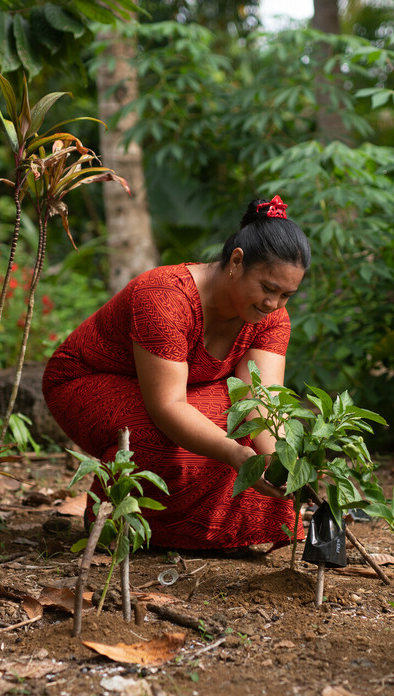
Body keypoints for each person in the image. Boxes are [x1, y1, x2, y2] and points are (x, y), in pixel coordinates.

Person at [42, 196, 310, 551]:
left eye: (286, 295)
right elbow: (167, 405)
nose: (273, 305)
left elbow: (259, 398)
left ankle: (223, 536)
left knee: (242, 428)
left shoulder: (271, 318)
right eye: (268, 288)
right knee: (161, 434)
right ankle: (118, 525)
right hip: (86, 382)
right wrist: (235, 455)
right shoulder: (165, 297)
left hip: (186, 389)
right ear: (237, 261)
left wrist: (283, 461)